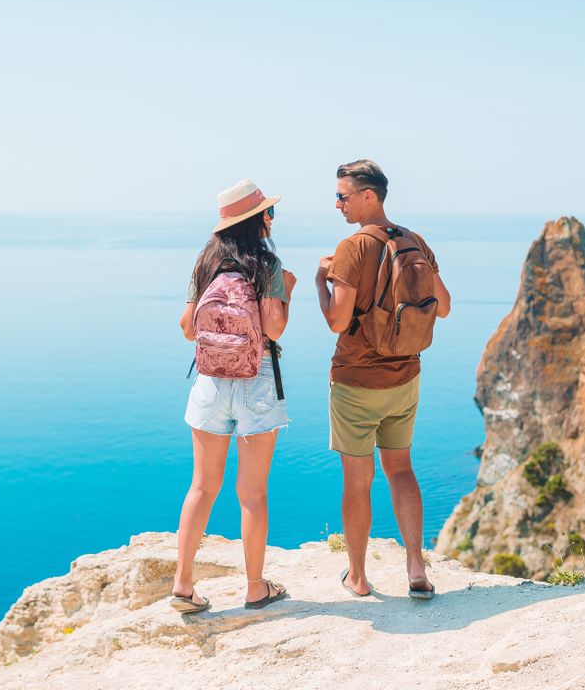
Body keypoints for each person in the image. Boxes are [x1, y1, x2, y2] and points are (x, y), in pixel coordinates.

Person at [314, 159, 451, 600]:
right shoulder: (414, 241)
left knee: (358, 480)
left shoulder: (353, 247)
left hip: (357, 382)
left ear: (368, 196)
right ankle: (416, 568)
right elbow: (443, 307)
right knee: (402, 469)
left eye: (343, 196)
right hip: (405, 377)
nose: (337, 204)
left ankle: (358, 576)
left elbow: (337, 321)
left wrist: (321, 281)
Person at [170, 179, 296, 613]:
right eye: (269, 212)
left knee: (202, 487)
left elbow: (188, 328)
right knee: (253, 493)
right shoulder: (267, 264)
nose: (271, 219)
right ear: (258, 219)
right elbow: (274, 329)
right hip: (256, 381)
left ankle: (183, 586)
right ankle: (255, 588)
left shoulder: (205, 264)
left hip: (208, 383)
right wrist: (288, 291)